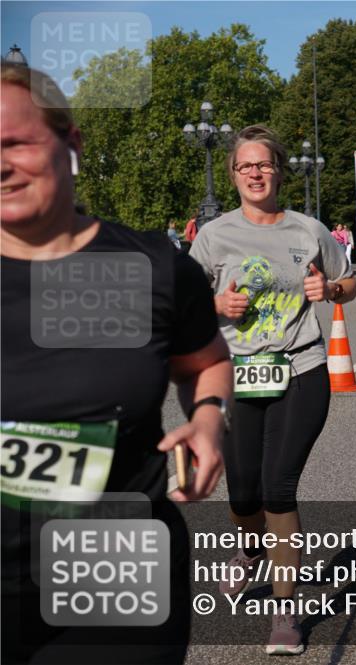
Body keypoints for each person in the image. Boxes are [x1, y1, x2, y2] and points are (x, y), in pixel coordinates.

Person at [1, 63, 230, 664]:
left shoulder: (149, 267)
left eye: (14, 144)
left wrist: (207, 418)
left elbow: (205, 361)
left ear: (70, 144)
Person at [189, 124, 356, 655]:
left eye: (264, 165)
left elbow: (348, 284)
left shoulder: (309, 230)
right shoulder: (214, 236)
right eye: (245, 166)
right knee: (244, 494)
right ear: (233, 175)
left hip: (301, 369)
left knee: (279, 488)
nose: (255, 173)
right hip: (238, 374)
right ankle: (248, 552)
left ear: (280, 171)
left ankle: (285, 615)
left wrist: (329, 288)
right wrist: (216, 305)